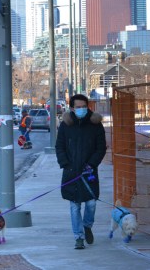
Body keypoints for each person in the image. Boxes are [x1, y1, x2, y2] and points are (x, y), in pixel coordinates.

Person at [56, 94, 106, 250]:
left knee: (91, 203)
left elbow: (101, 148)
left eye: (84, 106)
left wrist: (91, 164)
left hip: (89, 172)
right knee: (74, 205)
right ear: (72, 108)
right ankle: (78, 237)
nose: (81, 109)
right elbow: (60, 146)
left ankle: (87, 225)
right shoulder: (65, 125)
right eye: (78, 107)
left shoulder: (95, 124)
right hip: (71, 171)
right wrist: (65, 163)